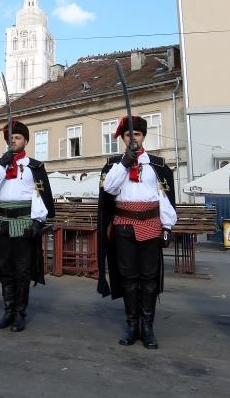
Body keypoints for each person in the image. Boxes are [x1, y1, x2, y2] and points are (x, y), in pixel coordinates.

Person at [0, 120, 55, 333]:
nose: (13, 140)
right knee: (5, 268)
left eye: (17, 137)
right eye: (10, 138)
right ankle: (8, 311)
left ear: (26, 141)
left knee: (22, 271)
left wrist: (38, 221)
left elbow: (39, 195)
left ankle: (20, 314)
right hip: (2, 223)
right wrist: (2, 163)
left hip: (25, 222)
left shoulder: (35, 167)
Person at [96, 116, 176, 349]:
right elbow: (109, 188)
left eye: (137, 134)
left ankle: (147, 327)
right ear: (123, 138)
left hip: (151, 223)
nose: (133, 138)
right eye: (128, 135)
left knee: (149, 277)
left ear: (143, 136)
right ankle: (132, 325)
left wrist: (167, 226)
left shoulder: (157, 165)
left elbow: (163, 197)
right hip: (124, 225)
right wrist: (124, 164)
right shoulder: (114, 165)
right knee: (128, 277)